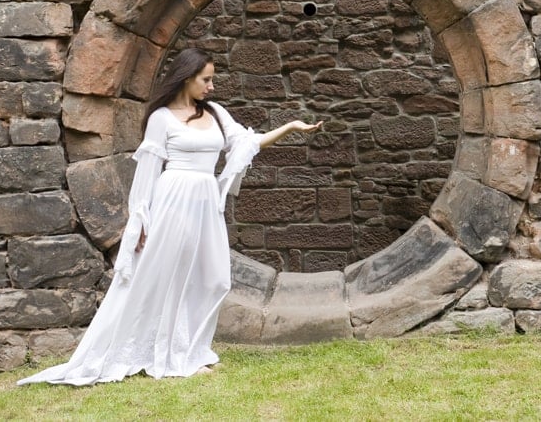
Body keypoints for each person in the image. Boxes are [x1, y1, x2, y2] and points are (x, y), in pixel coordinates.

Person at [18, 48, 321, 386]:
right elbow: (147, 173)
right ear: (187, 77)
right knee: (168, 277)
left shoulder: (217, 114)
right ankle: (173, 354)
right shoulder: (161, 118)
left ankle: (191, 349)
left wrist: (291, 127)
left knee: (214, 277)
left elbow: (247, 143)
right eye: (206, 79)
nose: (211, 86)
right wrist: (141, 220)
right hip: (173, 200)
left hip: (206, 203)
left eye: (212, 79)